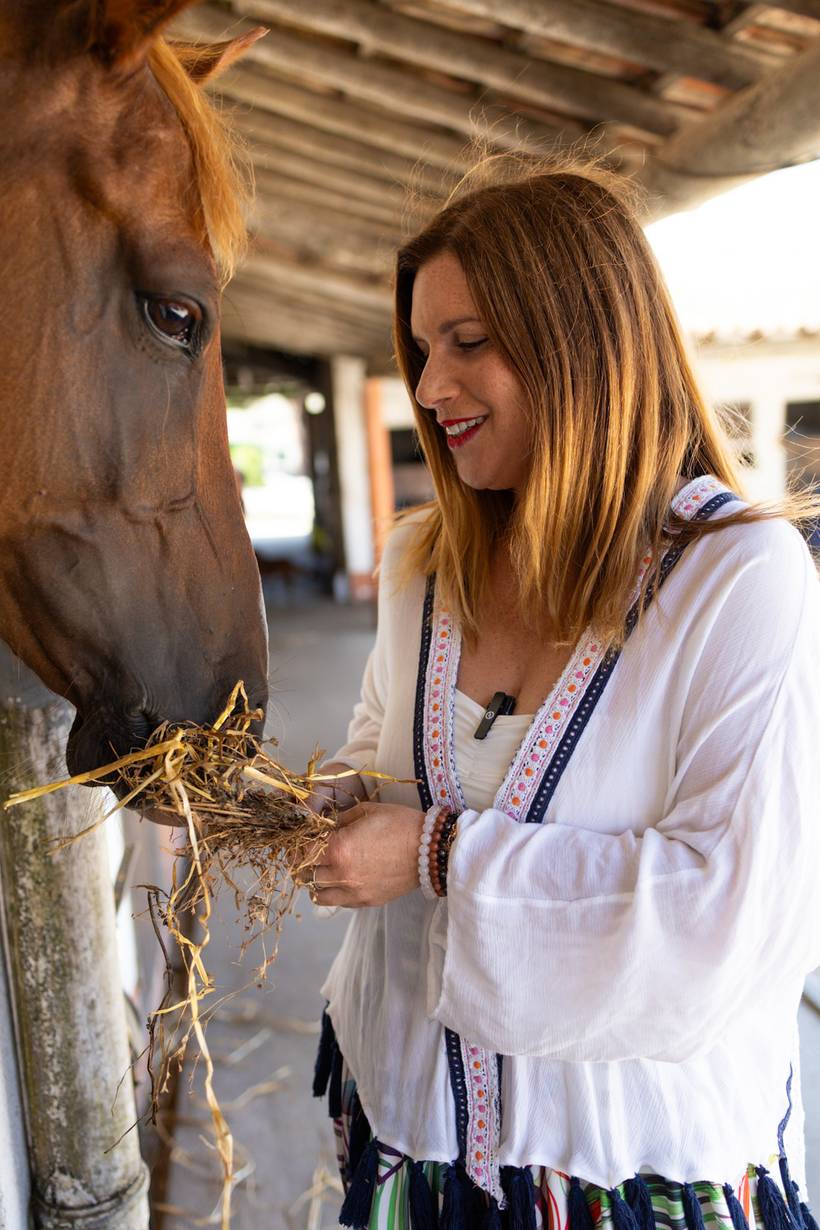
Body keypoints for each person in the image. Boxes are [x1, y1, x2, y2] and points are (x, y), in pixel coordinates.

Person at [301, 157, 820, 1230]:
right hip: (413, 1130)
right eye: (422, 349)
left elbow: (728, 910)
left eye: (469, 342)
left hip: (621, 1167)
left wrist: (438, 853)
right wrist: (317, 801)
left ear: (583, 338)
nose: (430, 387)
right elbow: (379, 750)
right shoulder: (419, 562)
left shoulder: (738, 579)